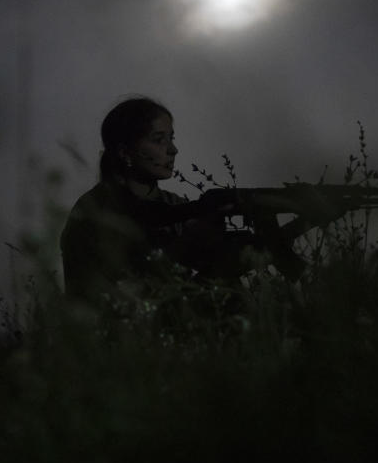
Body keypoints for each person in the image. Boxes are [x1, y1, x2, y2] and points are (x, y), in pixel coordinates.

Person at [59, 97, 338, 306]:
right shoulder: (97, 211)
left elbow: (229, 263)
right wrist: (191, 242)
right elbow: (127, 289)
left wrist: (303, 222)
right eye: (159, 140)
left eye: (171, 138)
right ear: (125, 152)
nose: (172, 149)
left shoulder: (173, 203)